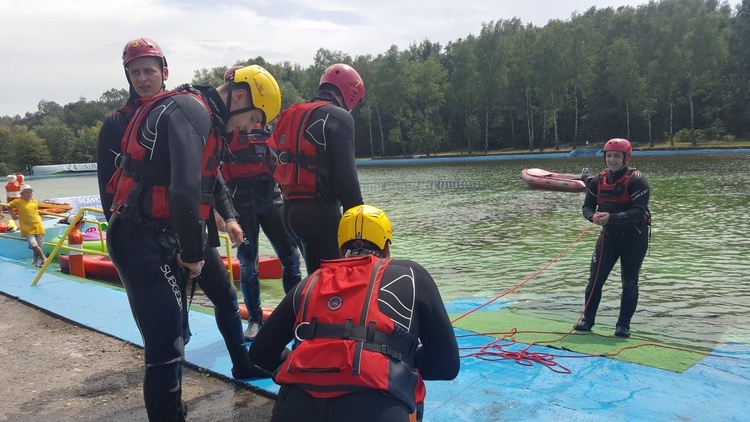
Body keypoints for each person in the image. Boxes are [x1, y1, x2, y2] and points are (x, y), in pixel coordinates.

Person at [105, 62, 279, 420]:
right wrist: (193, 254)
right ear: (241, 96)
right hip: (141, 236)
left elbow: (207, 176)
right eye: (254, 118)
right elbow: (184, 192)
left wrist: (227, 218)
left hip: (169, 230)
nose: (251, 128)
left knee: (226, 297)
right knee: (166, 348)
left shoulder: (201, 114)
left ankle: (242, 364)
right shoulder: (191, 111)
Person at [248, 205, 460, 422]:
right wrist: (398, 358)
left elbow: (260, 353)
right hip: (376, 410)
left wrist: (302, 360)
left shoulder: (310, 283)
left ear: (341, 250)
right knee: (411, 385)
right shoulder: (413, 276)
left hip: (293, 410)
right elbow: (446, 365)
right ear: (386, 248)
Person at [269, 63, 365, 275]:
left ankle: (302, 305)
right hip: (320, 215)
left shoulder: (290, 115)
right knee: (333, 284)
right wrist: (360, 229)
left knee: (316, 279)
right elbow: (348, 182)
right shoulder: (340, 118)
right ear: (351, 93)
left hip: (288, 213)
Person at [221, 124, 303, 341]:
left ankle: (294, 315)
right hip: (240, 198)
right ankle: (254, 319)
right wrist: (223, 213)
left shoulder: (269, 124)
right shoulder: (225, 126)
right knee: (248, 263)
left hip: (271, 194)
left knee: (291, 258)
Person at [573, 138, 650, 338]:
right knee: (595, 280)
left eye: (616, 156)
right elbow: (587, 207)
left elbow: (638, 212)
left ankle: (623, 325)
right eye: (609, 156)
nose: (612, 160)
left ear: (626, 157)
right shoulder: (598, 181)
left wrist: (611, 217)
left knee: (630, 283)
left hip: (634, 238)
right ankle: (587, 319)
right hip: (609, 237)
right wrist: (593, 217)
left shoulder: (637, 180)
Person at [97, 37, 169, 222]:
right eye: (135, 72)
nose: (142, 79)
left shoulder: (182, 114)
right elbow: (107, 186)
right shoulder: (116, 124)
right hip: (138, 225)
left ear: (165, 72)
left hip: (181, 220)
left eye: (149, 71)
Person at [9, 184, 47, 267]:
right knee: (33, 244)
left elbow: (35, 212)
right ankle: (44, 258)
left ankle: (35, 262)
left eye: (30, 192)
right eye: (27, 193)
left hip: (38, 225)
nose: (29, 194)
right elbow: (8, 206)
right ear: (22, 194)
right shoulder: (18, 202)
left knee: (38, 246)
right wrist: (13, 215)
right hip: (27, 227)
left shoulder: (34, 202)